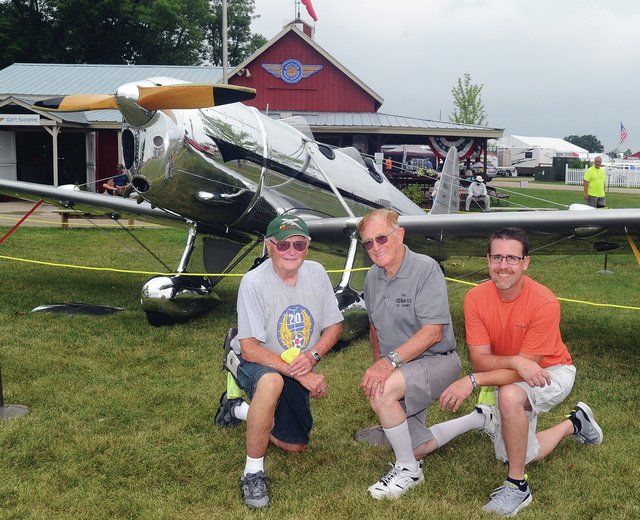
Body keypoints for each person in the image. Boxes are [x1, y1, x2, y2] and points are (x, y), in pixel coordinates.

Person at [413, 227, 603, 517]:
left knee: (511, 396)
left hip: (552, 370)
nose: (503, 266)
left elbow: (518, 370)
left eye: (512, 258)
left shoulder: (544, 301)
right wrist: (514, 361)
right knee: (520, 453)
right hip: (516, 368)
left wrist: (473, 381)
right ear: (487, 259)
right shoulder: (475, 299)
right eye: (497, 257)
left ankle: (518, 487)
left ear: (525, 262)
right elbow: (480, 360)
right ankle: (575, 423)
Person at [214, 214, 343, 509]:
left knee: (295, 445)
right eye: (283, 244)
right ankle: (253, 473)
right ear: (268, 246)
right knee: (271, 381)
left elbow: (334, 326)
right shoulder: (253, 282)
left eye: (299, 244)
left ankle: (238, 409)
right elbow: (251, 349)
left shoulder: (317, 272)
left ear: (307, 246)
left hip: (296, 362)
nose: (291, 251)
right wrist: (302, 375)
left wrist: (312, 357)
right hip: (255, 357)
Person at [357, 209, 460, 500]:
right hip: (402, 367)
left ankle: (408, 471)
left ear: (400, 234)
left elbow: (433, 333)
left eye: (381, 238)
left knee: (381, 391)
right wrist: (381, 363)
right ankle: (481, 419)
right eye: (368, 243)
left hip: (438, 361)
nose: (376, 247)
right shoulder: (372, 278)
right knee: (416, 445)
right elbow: (375, 326)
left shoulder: (425, 268)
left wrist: (387, 366)